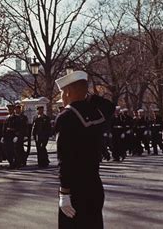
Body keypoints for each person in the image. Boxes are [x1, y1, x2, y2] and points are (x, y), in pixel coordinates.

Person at [54, 70, 114, 228]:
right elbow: (109, 106)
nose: (61, 97)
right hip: (94, 184)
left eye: (62, 92)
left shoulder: (66, 117)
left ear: (68, 92)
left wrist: (64, 192)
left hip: (75, 189)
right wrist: (87, 95)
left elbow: (65, 159)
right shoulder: (96, 113)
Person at [2, 104, 19, 169]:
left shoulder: (17, 118)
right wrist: (3, 136)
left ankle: (16, 164)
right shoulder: (7, 118)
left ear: (13, 110)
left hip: (13, 136)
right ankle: (11, 163)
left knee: (14, 151)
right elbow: (4, 128)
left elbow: (19, 127)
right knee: (7, 151)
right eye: (9, 110)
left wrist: (16, 136)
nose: (10, 111)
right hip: (7, 137)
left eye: (11, 109)